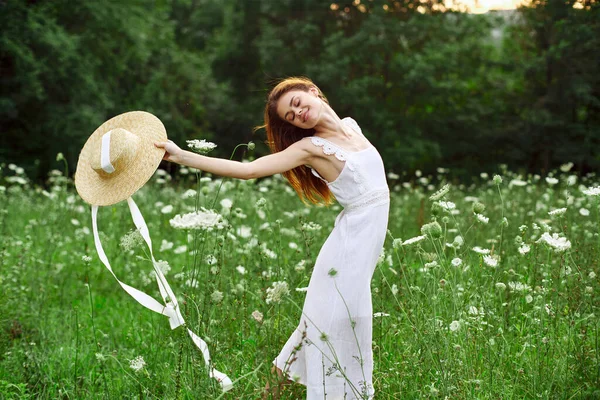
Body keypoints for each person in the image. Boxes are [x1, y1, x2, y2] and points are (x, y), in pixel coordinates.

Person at [155, 76, 390, 399]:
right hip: (345, 256)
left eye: (296, 104)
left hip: (360, 255)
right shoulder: (309, 147)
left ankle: (269, 396)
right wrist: (182, 156)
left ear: (312, 91)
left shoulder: (351, 127)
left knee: (320, 331)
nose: (298, 114)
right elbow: (250, 170)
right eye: (290, 117)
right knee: (332, 330)